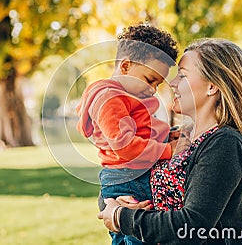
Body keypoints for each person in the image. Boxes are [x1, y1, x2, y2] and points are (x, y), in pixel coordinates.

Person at [98, 38, 242, 244]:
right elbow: (120, 177)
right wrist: (115, 202)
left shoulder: (225, 143)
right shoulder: (176, 137)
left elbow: (192, 225)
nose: (171, 83)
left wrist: (121, 217)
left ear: (212, 86)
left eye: (183, 75)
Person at [76, 23, 190, 245]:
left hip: (131, 174)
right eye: (149, 79)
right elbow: (126, 145)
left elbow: (143, 129)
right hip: (128, 178)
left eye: (157, 84)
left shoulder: (127, 97)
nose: (153, 89)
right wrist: (168, 150)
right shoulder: (109, 99)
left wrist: (167, 135)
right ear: (126, 66)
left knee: (136, 235)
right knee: (137, 236)